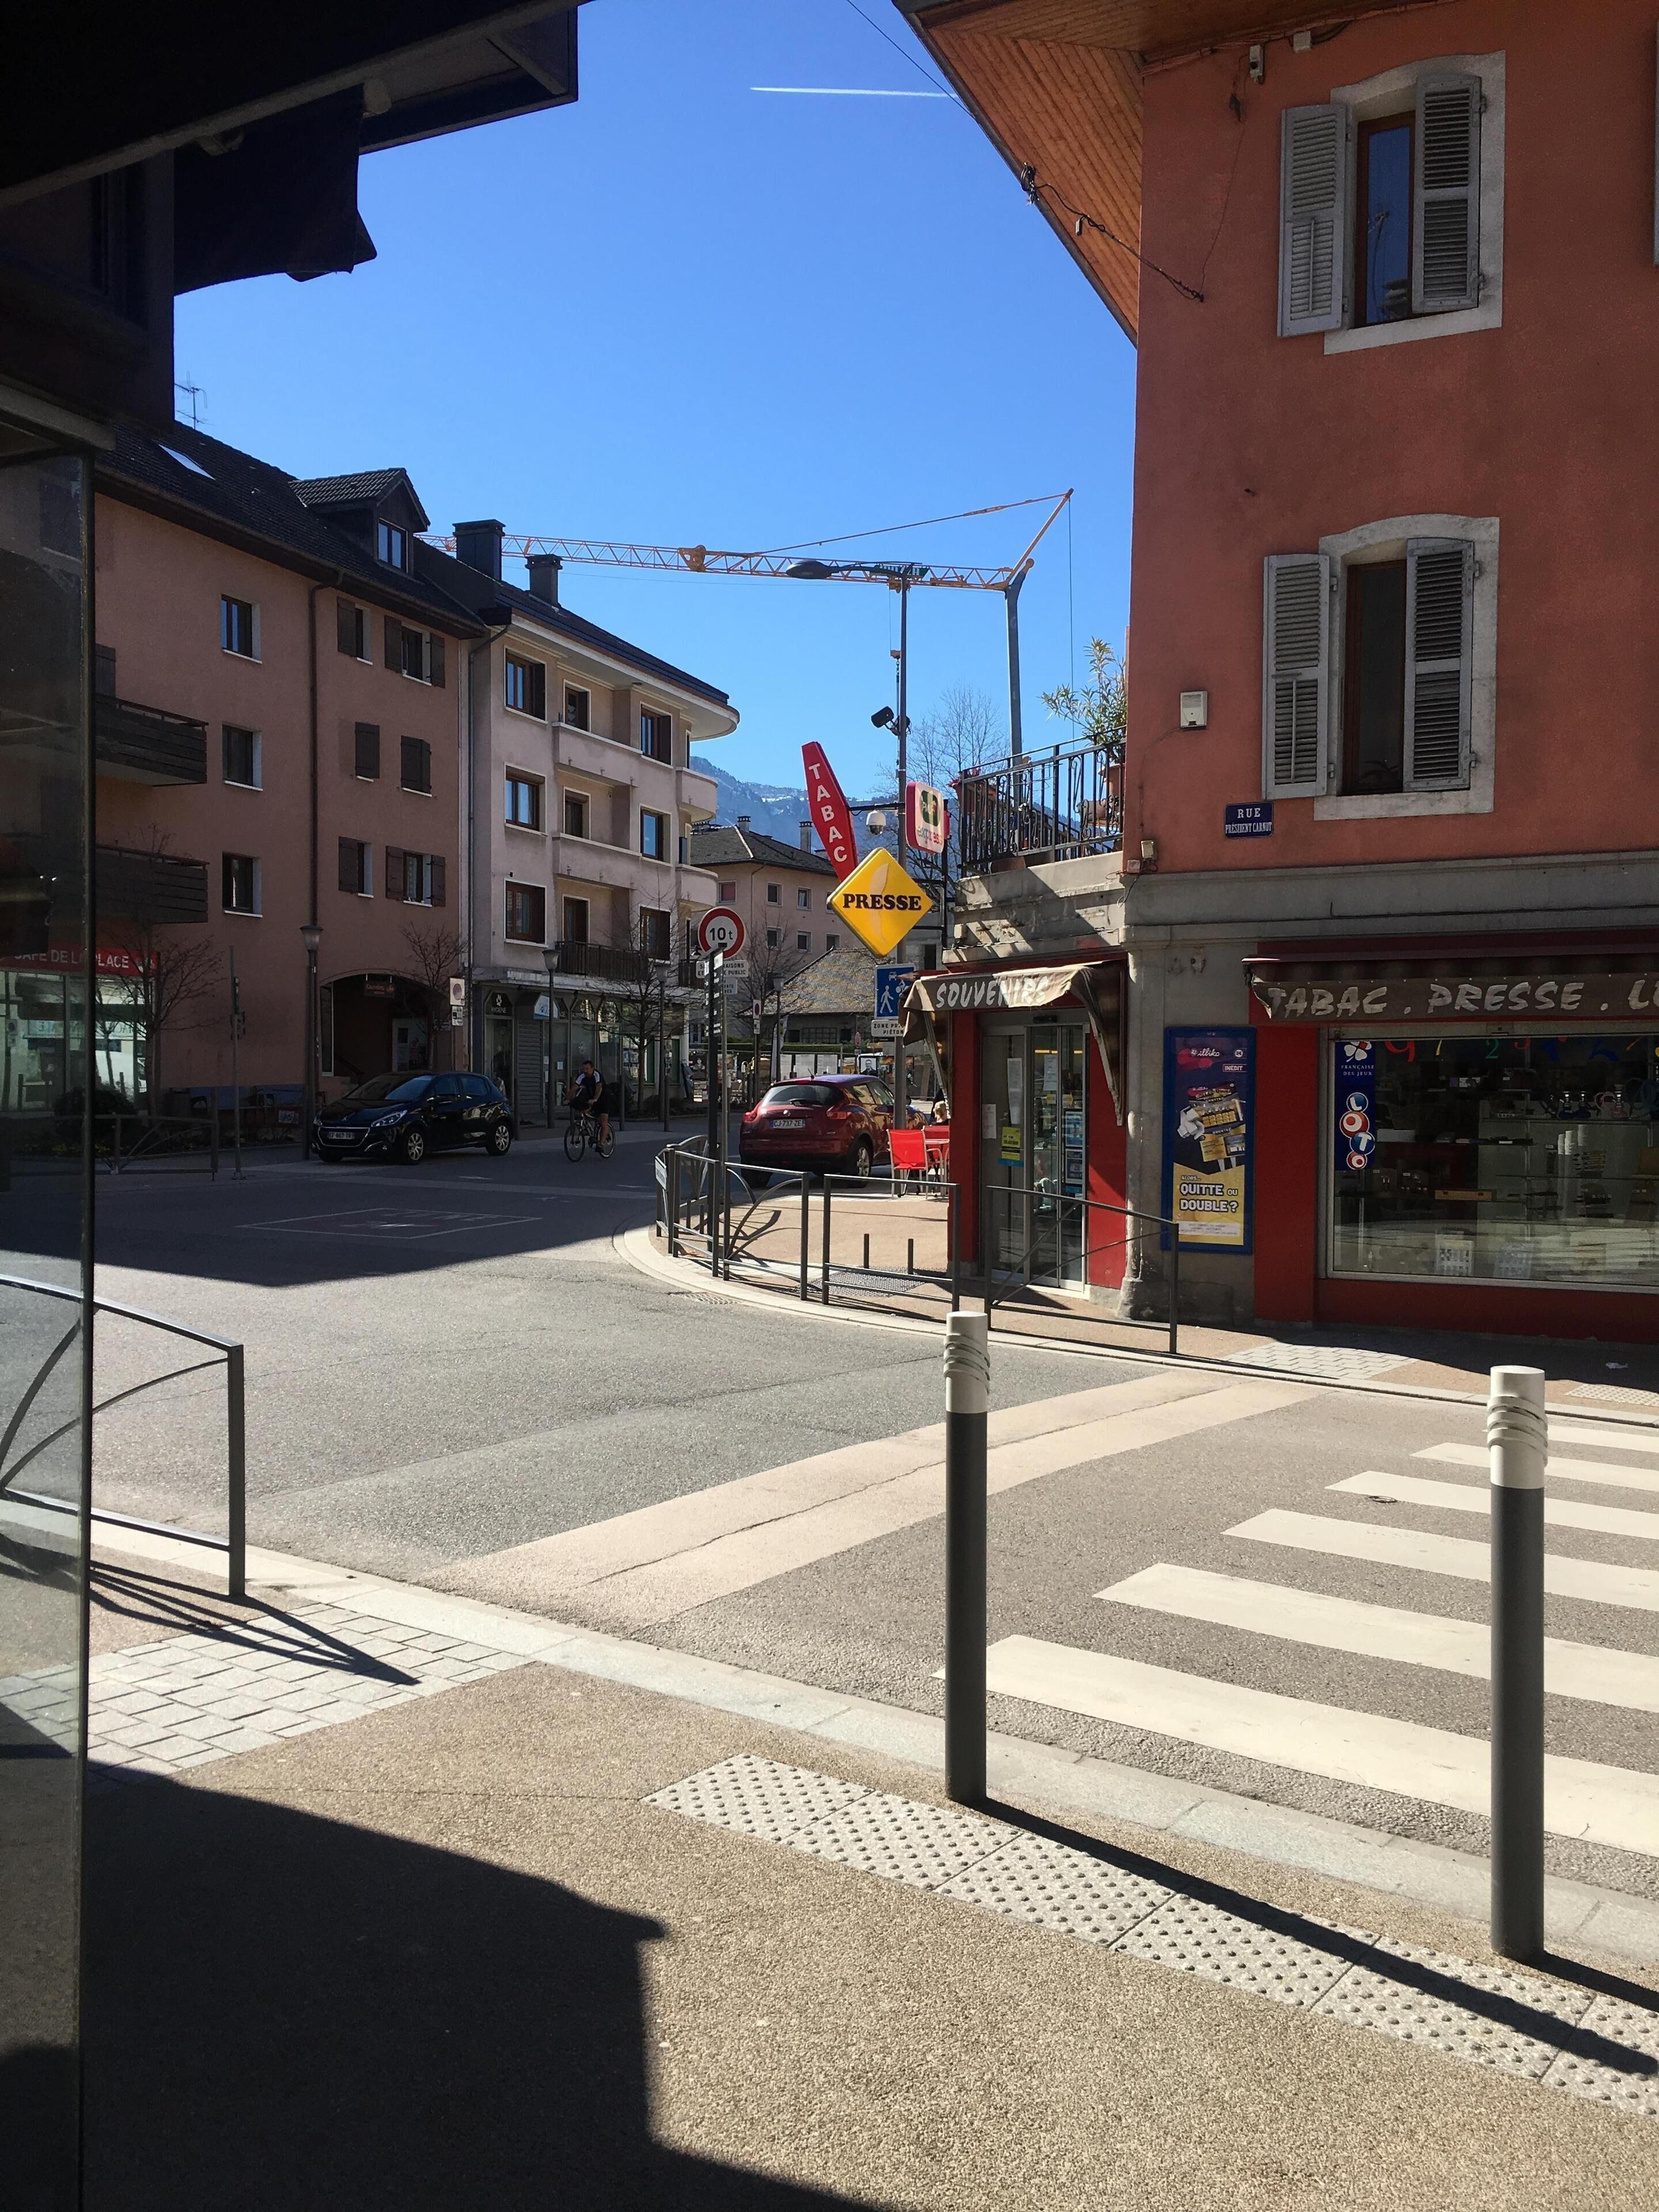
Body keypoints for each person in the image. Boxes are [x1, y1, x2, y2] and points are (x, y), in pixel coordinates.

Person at [567, 1058, 609, 1147]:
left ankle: (601, 1144)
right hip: (591, 1099)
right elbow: (574, 1088)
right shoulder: (582, 1076)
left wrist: (595, 1099)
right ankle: (588, 1129)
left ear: (592, 1069)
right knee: (583, 1111)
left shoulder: (597, 1075)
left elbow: (599, 1087)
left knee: (603, 1122)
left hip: (604, 1099)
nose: (585, 1071)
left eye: (587, 1069)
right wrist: (568, 1099)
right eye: (584, 1069)